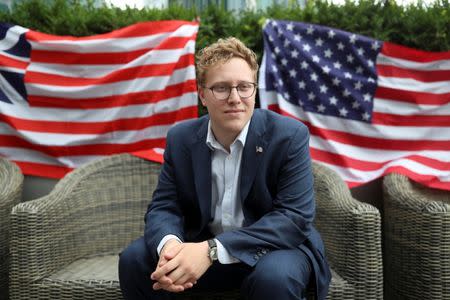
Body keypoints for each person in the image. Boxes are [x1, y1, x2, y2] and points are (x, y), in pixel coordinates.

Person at [118, 37, 331, 300]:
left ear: (255, 90)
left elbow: (293, 218)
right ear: (202, 95)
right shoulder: (181, 139)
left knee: (273, 278)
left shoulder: (288, 136)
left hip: (274, 250)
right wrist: (171, 246)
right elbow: (165, 205)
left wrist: (210, 250)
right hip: (201, 245)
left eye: (244, 87)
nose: (234, 98)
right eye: (221, 88)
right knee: (134, 260)